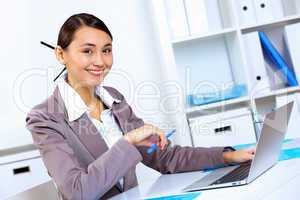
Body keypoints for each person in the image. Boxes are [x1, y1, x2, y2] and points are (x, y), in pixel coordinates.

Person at [26, 13, 255, 200]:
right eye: (87, 51)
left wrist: (227, 157)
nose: (100, 61)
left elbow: (164, 158)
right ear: (60, 54)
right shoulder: (45, 118)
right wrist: (128, 141)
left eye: (106, 50)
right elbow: (78, 192)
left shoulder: (112, 99)